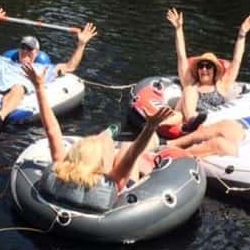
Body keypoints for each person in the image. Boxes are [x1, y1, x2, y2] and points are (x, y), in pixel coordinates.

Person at [22, 63, 173, 192]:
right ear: (100, 166)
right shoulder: (112, 182)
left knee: (104, 139)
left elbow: (52, 130)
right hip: (125, 176)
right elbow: (133, 154)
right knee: (127, 147)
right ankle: (116, 132)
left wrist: (39, 87)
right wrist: (150, 127)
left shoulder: (59, 167)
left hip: (89, 164)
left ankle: (112, 131)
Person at [0, 8, 98, 127]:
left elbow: (70, 67)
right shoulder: (5, 61)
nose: (25, 51)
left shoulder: (42, 68)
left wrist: (81, 44)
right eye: (23, 47)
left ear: (36, 52)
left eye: (30, 48)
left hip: (19, 87)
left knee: (18, 88)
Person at [156, 9, 250, 138]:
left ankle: (175, 125)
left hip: (208, 123)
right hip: (186, 121)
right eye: (201, 66)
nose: (204, 69)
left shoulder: (222, 86)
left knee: (184, 103)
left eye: (208, 66)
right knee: (187, 92)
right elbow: (181, 56)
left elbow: (237, 60)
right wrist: (178, 29)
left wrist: (242, 34)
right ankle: (156, 126)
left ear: (214, 70)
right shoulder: (192, 84)